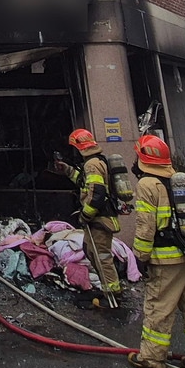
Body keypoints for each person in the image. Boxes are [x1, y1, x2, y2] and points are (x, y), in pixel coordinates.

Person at [128, 134, 185, 368]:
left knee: (159, 308)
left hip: (166, 260)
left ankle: (153, 358)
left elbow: (146, 226)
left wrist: (140, 257)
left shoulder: (147, 185)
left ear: (143, 158)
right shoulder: (179, 181)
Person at [52, 127, 123, 305]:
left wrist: (85, 215)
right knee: (92, 252)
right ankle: (108, 291)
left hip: (100, 219)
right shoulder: (93, 162)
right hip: (99, 220)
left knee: (102, 256)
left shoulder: (92, 164)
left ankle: (112, 295)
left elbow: (97, 194)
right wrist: (67, 170)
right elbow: (83, 183)